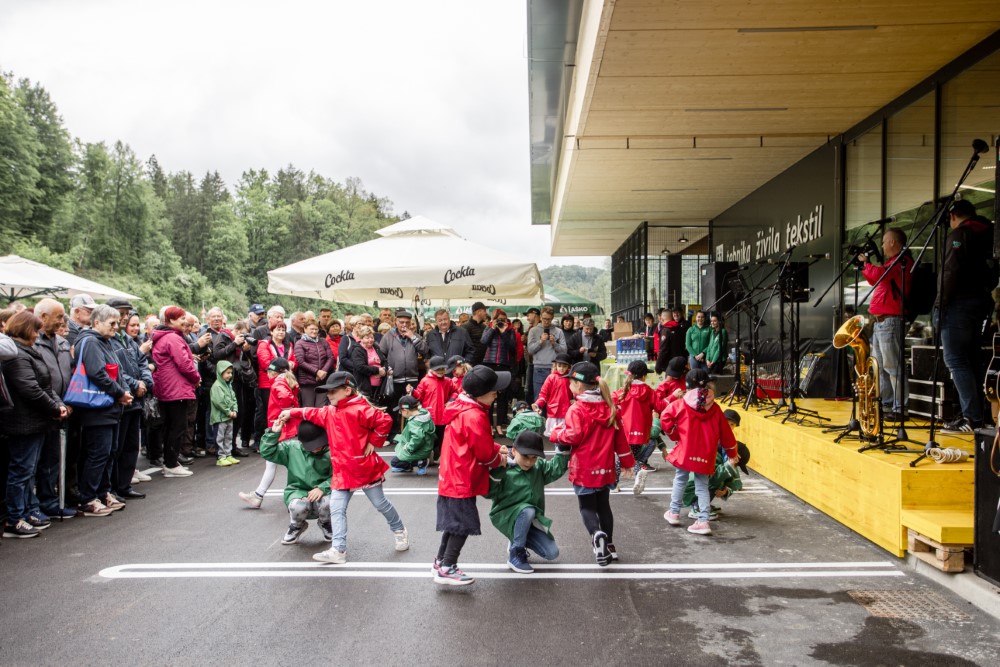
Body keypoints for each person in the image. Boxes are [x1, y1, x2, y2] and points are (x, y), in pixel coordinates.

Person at [281, 372, 408, 565]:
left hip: (363, 468)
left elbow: (385, 421)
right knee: (336, 508)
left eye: (333, 391)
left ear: (347, 390)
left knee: (380, 504)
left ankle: (399, 530)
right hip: (342, 471)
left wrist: (374, 441)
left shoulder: (361, 409)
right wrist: (291, 412)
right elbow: (310, 412)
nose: (329, 395)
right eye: (328, 392)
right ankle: (338, 550)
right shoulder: (329, 411)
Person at [549, 362, 634, 566]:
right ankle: (610, 545)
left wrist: (555, 433)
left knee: (587, 507)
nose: (568, 385)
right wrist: (627, 462)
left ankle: (597, 535)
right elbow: (620, 439)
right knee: (604, 505)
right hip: (605, 467)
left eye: (570, 382)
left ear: (578, 385)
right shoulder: (610, 407)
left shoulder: (576, 409)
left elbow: (573, 435)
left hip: (584, 467)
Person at [433, 365, 510, 585]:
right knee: (461, 525)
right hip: (462, 479)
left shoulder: (461, 407)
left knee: (452, 524)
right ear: (480, 394)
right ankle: (448, 566)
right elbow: (484, 453)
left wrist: (496, 447)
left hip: (452, 476)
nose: (497, 394)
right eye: (493, 390)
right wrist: (499, 458)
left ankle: (440, 562)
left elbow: (474, 442)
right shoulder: (475, 415)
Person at [2, 311, 69, 537]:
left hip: (35, 421)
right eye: (35, 329)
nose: (38, 333)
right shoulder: (18, 356)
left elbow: (45, 385)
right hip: (23, 421)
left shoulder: (27, 351)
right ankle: (15, 518)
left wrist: (56, 404)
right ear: (26, 329)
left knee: (28, 471)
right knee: (21, 471)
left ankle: (28, 510)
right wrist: (54, 407)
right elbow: (30, 389)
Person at [936, 199, 997, 433]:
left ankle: (971, 418)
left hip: (957, 305)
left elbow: (950, 272)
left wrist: (940, 304)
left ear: (952, 216)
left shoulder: (960, 234)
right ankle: (982, 416)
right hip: (979, 303)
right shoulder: (988, 233)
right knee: (972, 359)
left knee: (956, 360)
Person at [661, 369, 738, 536]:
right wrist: (732, 453)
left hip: (686, 451)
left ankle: (674, 512)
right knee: (702, 485)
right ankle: (703, 520)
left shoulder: (680, 404)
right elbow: (727, 434)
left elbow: (665, 417)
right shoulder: (715, 408)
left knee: (680, 479)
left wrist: (675, 434)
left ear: (686, 386)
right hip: (706, 454)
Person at [72, 305, 133, 516]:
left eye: (117, 323)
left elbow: (118, 371)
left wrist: (123, 391)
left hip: (110, 407)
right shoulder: (90, 342)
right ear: (96, 322)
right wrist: (120, 393)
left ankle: (103, 492)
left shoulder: (104, 342)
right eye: (112, 323)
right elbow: (97, 373)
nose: (116, 327)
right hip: (97, 409)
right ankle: (88, 498)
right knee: (98, 454)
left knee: (108, 453)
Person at [487, 431, 569, 574]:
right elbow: (487, 493)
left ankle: (517, 538)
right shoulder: (503, 467)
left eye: (534, 458)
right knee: (527, 510)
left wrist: (563, 449)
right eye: (525, 456)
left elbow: (555, 470)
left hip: (529, 520)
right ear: (514, 450)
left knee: (552, 553)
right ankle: (516, 553)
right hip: (505, 516)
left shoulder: (538, 467)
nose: (529, 462)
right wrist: (498, 469)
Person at [859, 227, 912, 421]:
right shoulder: (892, 263)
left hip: (890, 321)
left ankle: (900, 407)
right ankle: (888, 404)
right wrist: (866, 267)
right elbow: (875, 279)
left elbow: (879, 274)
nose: (882, 245)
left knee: (892, 366)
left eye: (884, 241)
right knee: (880, 367)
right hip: (881, 322)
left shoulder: (902, 261)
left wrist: (867, 263)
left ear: (892, 242)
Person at [30, 299, 75, 519]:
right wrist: (56, 404)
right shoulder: (33, 343)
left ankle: (51, 501)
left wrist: (70, 402)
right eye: (58, 317)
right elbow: (38, 382)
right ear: (43, 316)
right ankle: (41, 504)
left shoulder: (62, 342)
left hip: (65, 406)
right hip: (44, 408)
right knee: (42, 461)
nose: (62, 321)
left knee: (55, 459)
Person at [260, 416, 333, 546]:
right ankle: (297, 525)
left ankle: (326, 523)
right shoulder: (292, 448)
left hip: (323, 491)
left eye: (318, 444)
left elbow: (339, 475)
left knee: (329, 502)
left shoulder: (332, 451)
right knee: (297, 506)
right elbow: (267, 453)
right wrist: (273, 433)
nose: (316, 448)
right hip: (297, 491)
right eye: (312, 445)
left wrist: (323, 487)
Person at [107, 301, 153, 501]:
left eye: (126, 313)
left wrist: (145, 382)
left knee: (131, 446)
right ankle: (113, 487)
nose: (124, 317)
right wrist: (135, 384)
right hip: (122, 399)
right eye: (121, 313)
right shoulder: (108, 341)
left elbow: (142, 361)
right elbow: (115, 371)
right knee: (117, 447)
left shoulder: (128, 340)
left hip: (136, 400)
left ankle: (124, 485)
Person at [151, 306, 200, 478]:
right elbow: (184, 364)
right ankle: (171, 464)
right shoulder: (173, 338)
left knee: (171, 426)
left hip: (168, 388)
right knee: (177, 427)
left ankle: (170, 461)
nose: (185, 321)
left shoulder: (166, 337)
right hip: (175, 389)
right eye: (182, 318)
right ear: (171, 320)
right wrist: (196, 378)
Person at [682, 409, 750, 521]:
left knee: (724, 475)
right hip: (694, 478)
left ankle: (703, 504)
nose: (729, 427)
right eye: (726, 423)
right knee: (716, 477)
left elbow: (737, 482)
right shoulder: (711, 437)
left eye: (732, 425)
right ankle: (698, 507)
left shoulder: (730, 443)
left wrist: (726, 490)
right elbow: (712, 474)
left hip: (705, 472)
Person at [613, 360, 656, 495]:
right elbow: (660, 405)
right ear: (644, 376)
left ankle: (614, 483)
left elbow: (610, 402)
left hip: (625, 431)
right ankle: (637, 472)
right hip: (642, 432)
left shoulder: (623, 391)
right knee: (631, 456)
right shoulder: (649, 391)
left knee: (622, 457)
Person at [254, 321, 296, 446]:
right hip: (267, 383)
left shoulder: (288, 345)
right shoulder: (264, 344)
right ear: (271, 332)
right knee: (266, 413)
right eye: (278, 329)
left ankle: (281, 438)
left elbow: (294, 360)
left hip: (286, 382)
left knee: (282, 412)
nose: (281, 332)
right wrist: (286, 365)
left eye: (283, 330)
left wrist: (291, 364)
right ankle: (262, 441)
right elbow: (266, 362)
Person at [410, 355, 458, 463]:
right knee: (429, 438)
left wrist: (451, 400)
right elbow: (420, 395)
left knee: (442, 437)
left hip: (443, 415)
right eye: (438, 369)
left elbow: (455, 392)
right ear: (432, 369)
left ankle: (439, 455)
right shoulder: (425, 381)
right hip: (430, 415)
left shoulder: (448, 381)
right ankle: (429, 456)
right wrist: (413, 392)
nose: (441, 371)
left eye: (443, 369)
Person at [480, 308, 518, 436]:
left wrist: (504, 332)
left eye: (503, 319)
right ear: (493, 319)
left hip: (503, 364)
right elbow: (484, 342)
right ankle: (490, 425)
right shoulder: (488, 328)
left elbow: (512, 346)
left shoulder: (509, 330)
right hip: (489, 364)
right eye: (498, 319)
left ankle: (499, 425)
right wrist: (492, 328)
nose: (501, 322)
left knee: (502, 397)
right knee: (489, 397)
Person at [379, 310, 427, 408]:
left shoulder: (416, 336)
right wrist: (387, 368)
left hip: (412, 379)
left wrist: (412, 337)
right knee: (394, 408)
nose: (404, 325)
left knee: (411, 408)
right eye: (401, 322)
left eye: (407, 322)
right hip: (394, 379)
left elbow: (425, 350)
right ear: (396, 322)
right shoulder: (388, 336)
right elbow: (380, 355)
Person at [526, 307, 567, 405]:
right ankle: (540, 419)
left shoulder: (558, 331)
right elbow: (530, 350)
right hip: (539, 368)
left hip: (554, 369)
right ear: (540, 317)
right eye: (544, 319)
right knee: (539, 398)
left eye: (548, 319)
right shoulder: (533, 331)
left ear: (552, 318)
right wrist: (540, 342)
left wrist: (554, 344)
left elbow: (564, 351)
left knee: (554, 399)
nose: (546, 321)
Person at [389, 395, 435, 475]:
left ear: (405, 410)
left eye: (400, 411)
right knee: (399, 448)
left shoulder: (414, 422)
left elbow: (418, 437)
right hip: (426, 447)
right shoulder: (425, 414)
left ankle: (420, 462)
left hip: (418, 450)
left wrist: (408, 448)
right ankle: (421, 460)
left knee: (394, 462)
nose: (400, 413)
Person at [294, 317, 334, 408]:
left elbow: (330, 357)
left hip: (322, 381)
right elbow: (300, 361)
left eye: (316, 329)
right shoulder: (300, 343)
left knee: (321, 408)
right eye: (312, 329)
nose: (314, 331)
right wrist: (316, 372)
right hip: (307, 382)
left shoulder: (323, 341)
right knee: (309, 409)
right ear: (305, 329)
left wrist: (323, 371)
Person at [532, 353, 574, 437]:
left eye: (564, 366)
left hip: (567, 411)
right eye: (559, 366)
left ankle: (562, 450)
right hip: (554, 412)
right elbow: (544, 394)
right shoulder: (551, 377)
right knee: (555, 437)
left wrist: (575, 400)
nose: (561, 368)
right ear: (556, 366)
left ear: (568, 367)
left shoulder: (571, 378)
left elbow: (577, 391)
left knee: (566, 436)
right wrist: (538, 404)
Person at [209, 360, 241, 467]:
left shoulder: (229, 386)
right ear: (220, 372)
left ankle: (228, 454)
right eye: (227, 373)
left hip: (229, 417)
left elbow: (234, 399)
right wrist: (228, 412)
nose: (230, 375)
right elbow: (219, 402)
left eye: (231, 373)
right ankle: (220, 457)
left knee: (228, 436)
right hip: (220, 418)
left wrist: (235, 410)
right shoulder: (217, 386)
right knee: (220, 437)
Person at [349, 325, 389, 402]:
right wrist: (377, 370)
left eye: (372, 337)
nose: (370, 340)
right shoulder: (357, 350)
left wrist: (384, 369)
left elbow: (384, 361)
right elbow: (360, 367)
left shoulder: (376, 347)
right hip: (365, 386)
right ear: (361, 338)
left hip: (379, 387)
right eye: (367, 338)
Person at [655, 307, 689, 375]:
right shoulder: (680, 328)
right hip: (681, 363)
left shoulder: (666, 330)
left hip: (670, 366)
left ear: (662, 319)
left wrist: (658, 366)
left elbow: (663, 350)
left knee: (670, 385)